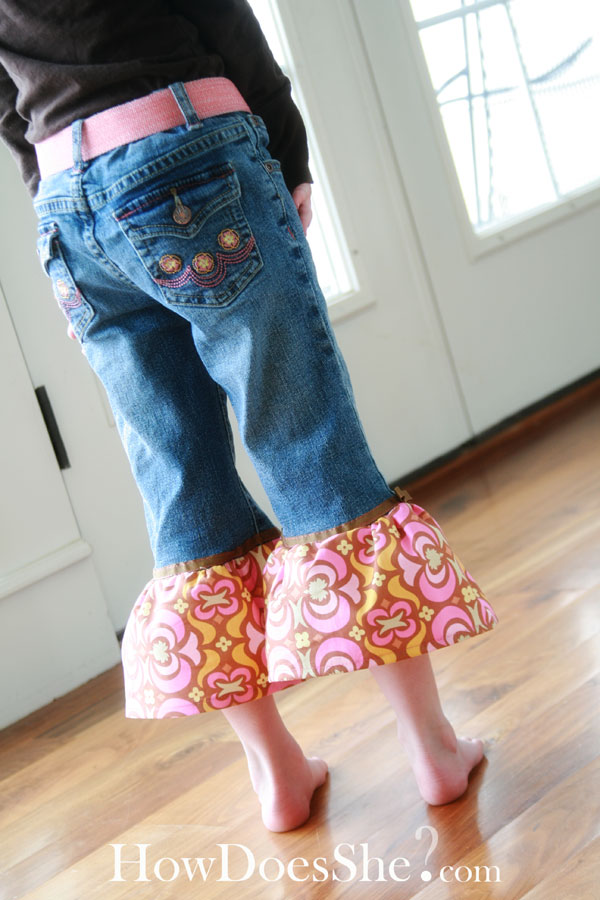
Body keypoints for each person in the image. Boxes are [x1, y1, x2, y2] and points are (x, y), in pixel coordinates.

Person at [0, 0, 498, 832]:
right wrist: (287, 155)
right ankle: (432, 749)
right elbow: (223, 17)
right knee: (309, 442)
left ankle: (277, 774)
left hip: (66, 207)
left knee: (181, 483)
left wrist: (61, 201)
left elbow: (9, 110)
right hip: (185, 156)